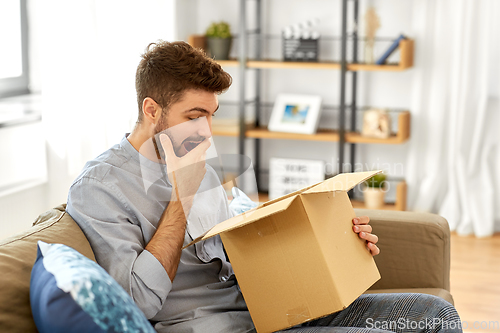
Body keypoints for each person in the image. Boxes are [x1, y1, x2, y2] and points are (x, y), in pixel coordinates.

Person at [67, 41, 462, 333]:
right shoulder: (100, 188)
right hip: (215, 327)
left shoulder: (195, 156)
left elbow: (233, 253)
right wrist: (180, 200)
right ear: (151, 110)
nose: (205, 131)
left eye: (211, 116)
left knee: (434, 314)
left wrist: (330, 240)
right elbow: (138, 302)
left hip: (269, 308)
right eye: (194, 115)